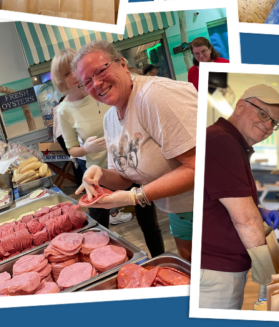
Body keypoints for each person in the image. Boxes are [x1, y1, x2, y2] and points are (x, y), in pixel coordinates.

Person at [72, 41, 197, 260]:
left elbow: (199, 166)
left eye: (101, 70)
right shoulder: (110, 118)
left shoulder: (154, 95)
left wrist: (136, 197)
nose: (97, 83)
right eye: (87, 81)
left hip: (212, 202)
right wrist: (98, 173)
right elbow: (123, 177)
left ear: (122, 64)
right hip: (179, 209)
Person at [54, 48, 169, 251]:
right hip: (98, 173)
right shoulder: (64, 110)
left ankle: (159, 260)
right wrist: (86, 148)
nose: (73, 75)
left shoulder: (102, 91)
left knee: (149, 224)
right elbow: (71, 149)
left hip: (131, 164)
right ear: (59, 78)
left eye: (74, 69)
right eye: (66, 73)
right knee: (98, 230)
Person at [198, 84, 279, 309]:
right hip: (216, 274)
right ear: (241, 106)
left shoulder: (231, 144)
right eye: (263, 114)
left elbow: (222, 198)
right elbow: (246, 221)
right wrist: (271, 277)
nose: (268, 125)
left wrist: (258, 209)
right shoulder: (221, 142)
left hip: (223, 268)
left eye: (274, 123)